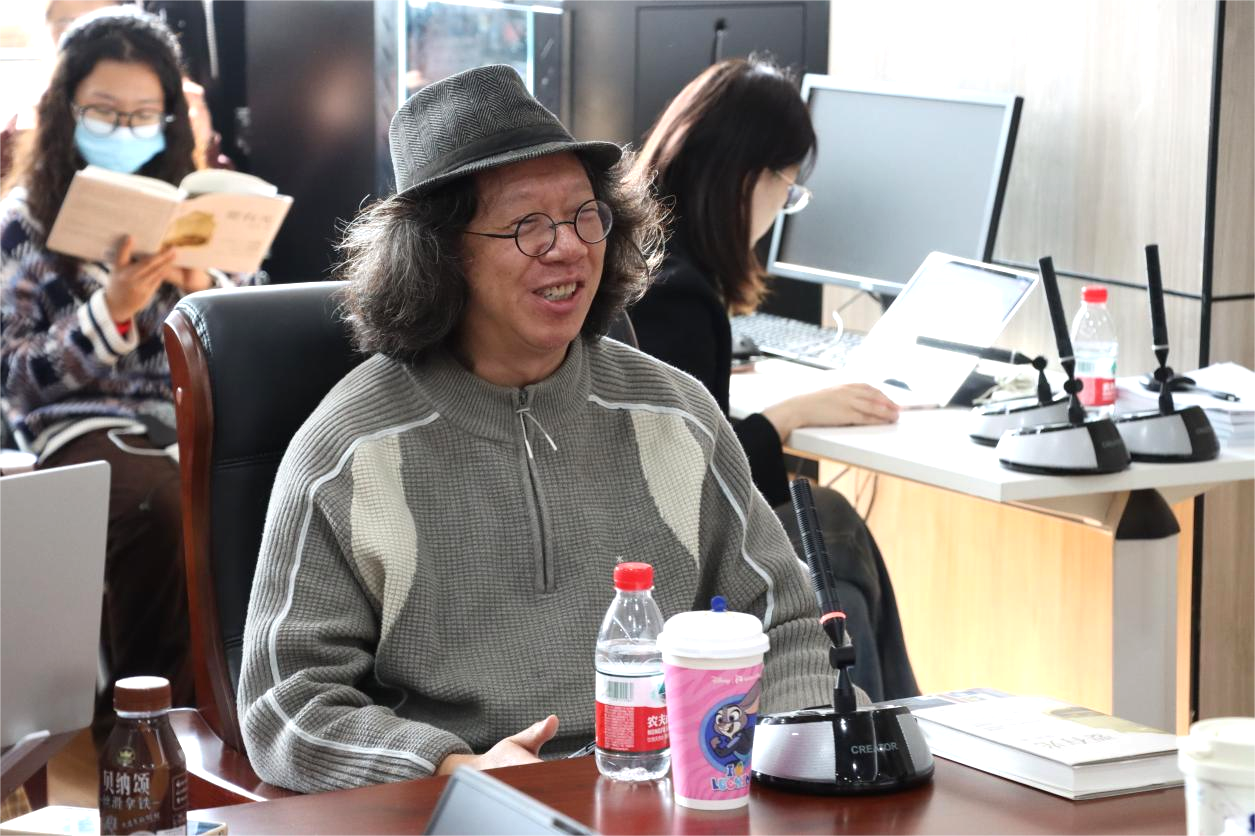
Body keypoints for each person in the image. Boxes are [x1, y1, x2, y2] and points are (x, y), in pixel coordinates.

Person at [236, 64, 846, 794]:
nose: (569, 247)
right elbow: (286, 705)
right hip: (469, 804)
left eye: (585, 214)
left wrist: (786, 769)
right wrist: (451, 767)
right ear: (438, 254)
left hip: (673, 792)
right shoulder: (350, 450)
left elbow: (785, 622)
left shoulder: (675, 413)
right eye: (527, 225)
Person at [629, 57, 918, 701]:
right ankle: (874, 730)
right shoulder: (679, 295)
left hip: (638, 543)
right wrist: (786, 418)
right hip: (662, 563)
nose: (782, 208)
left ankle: (885, 721)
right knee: (832, 527)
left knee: (832, 522)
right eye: (787, 189)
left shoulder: (645, 255)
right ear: (748, 178)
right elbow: (703, 482)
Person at [0, 7, 252, 739]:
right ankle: (145, 734)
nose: (125, 128)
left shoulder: (197, 202)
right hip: (76, 423)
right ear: (66, 109)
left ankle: (246, 717)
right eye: (105, 112)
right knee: (159, 504)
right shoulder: (26, 220)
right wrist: (109, 311)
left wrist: (206, 286)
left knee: (272, 485)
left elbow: (248, 335)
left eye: (144, 114)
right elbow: (16, 378)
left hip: (191, 415)